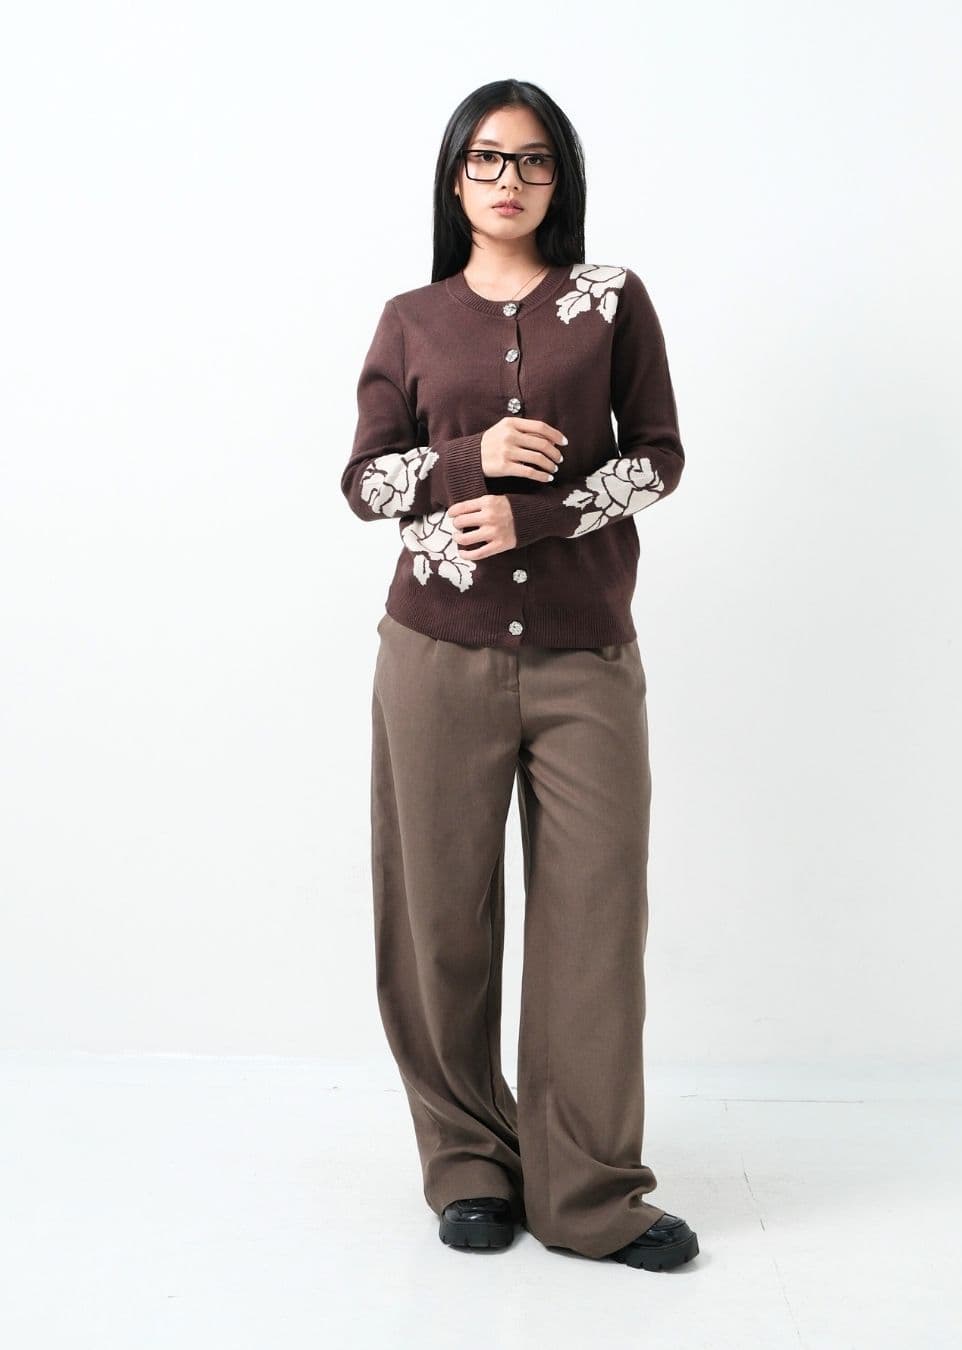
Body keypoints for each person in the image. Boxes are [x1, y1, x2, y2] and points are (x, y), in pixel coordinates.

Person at [340, 78, 699, 1272]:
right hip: (434, 656)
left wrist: (537, 514)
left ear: (561, 180)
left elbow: (657, 459)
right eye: (488, 159)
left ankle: (588, 1192)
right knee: (438, 919)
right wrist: (470, 456)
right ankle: (468, 1164)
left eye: (534, 161)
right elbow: (365, 482)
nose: (510, 179)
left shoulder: (610, 300)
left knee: (595, 920)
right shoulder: (411, 318)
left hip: (584, 653)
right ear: (456, 179)